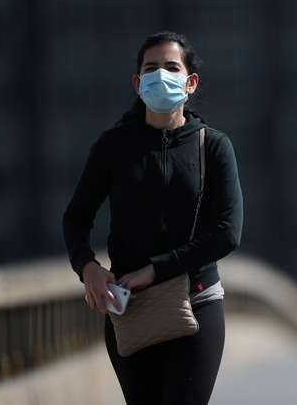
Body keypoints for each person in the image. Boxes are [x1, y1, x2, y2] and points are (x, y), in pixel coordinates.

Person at [62, 31, 244, 405]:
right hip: (132, 308)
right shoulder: (114, 146)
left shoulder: (212, 145)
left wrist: (157, 270)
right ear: (137, 81)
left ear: (190, 82)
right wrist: (88, 268)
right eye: (151, 68)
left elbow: (228, 233)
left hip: (197, 302)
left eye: (171, 67)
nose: (160, 75)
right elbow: (76, 218)